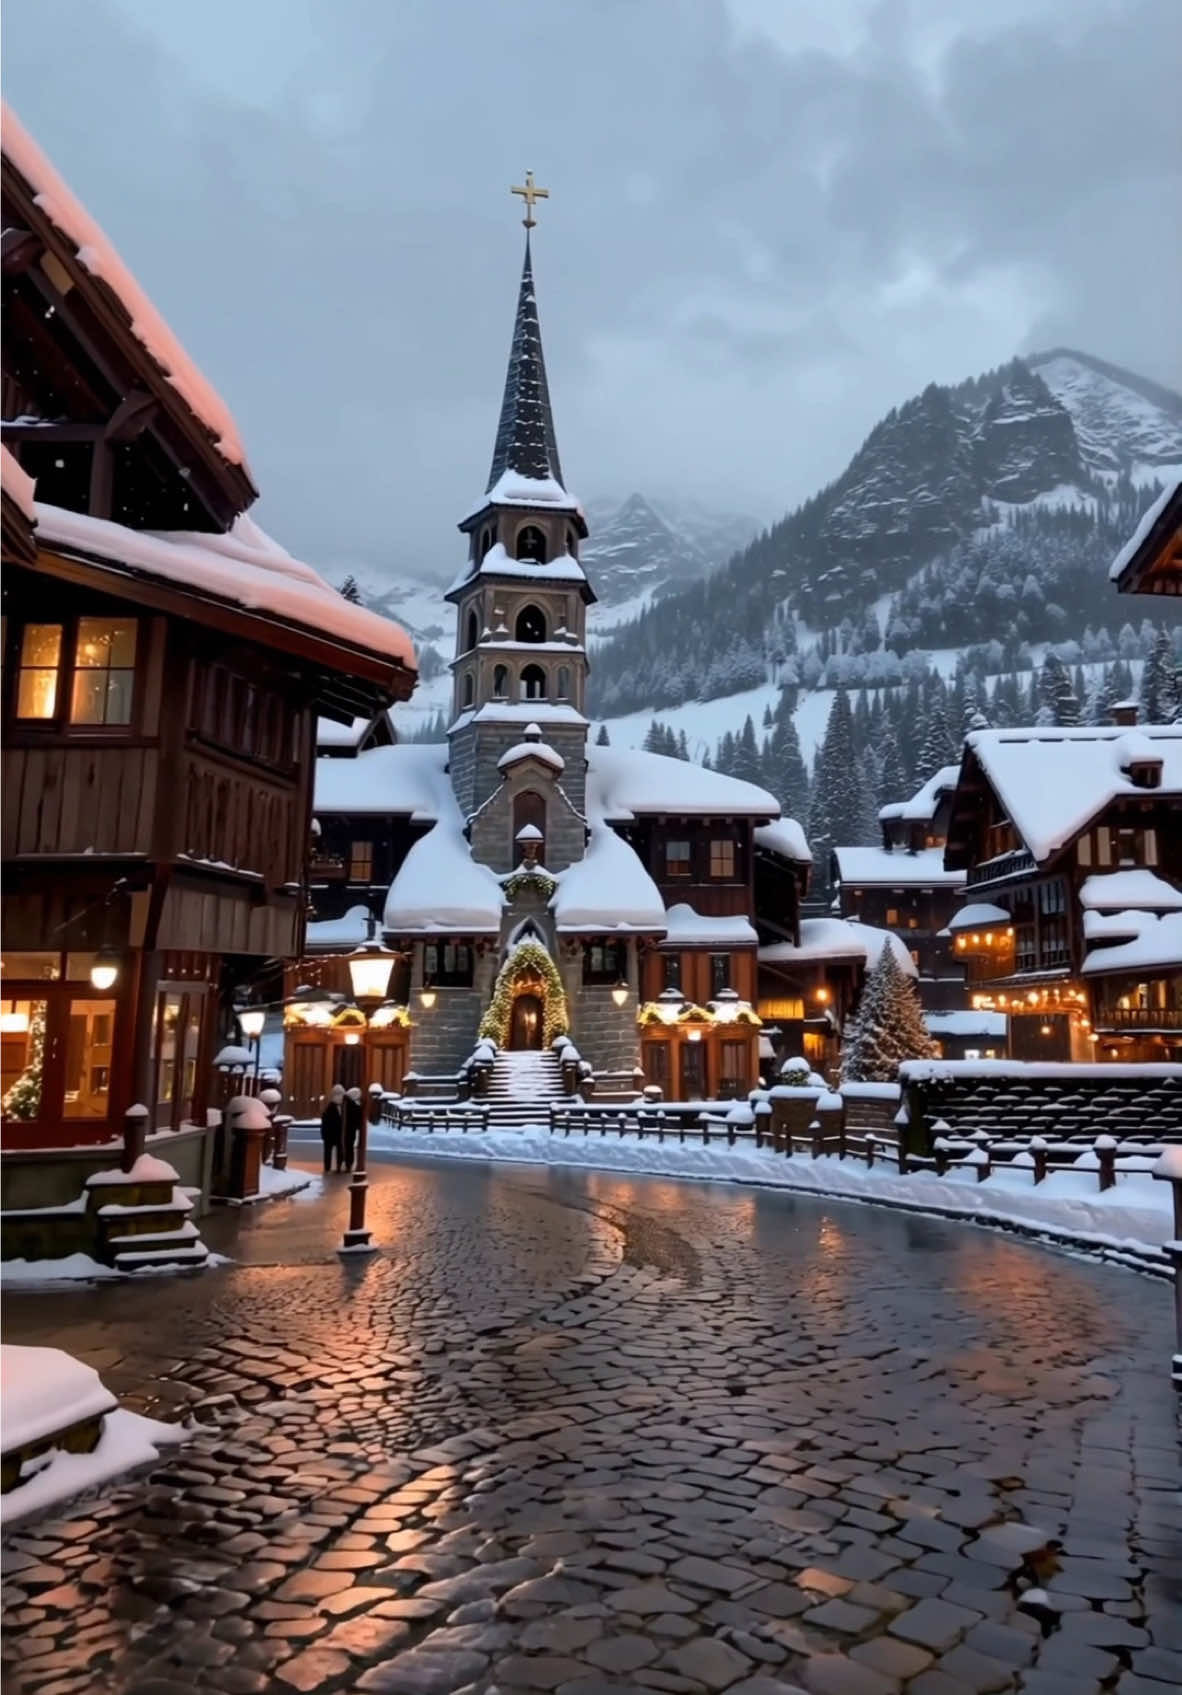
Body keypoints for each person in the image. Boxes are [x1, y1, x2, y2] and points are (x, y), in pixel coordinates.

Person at [320, 1084, 345, 1173]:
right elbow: (325, 1122)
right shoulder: (334, 1108)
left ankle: (331, 1167)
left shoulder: (330, 1108)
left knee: (331, 1151)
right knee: (334, 1150)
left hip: (332, 1134)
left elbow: (324, 1121)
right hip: (333, 1133)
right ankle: (334, 1166)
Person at [343, 1086, 363, 1173]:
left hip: (346, 1129)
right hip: (351, 1130)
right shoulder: (355, 1107)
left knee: (347, 1147)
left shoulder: (345, 1104)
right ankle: (349, 1164)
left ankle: (346, 1164)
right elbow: (358, 1120)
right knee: (349, 1147)